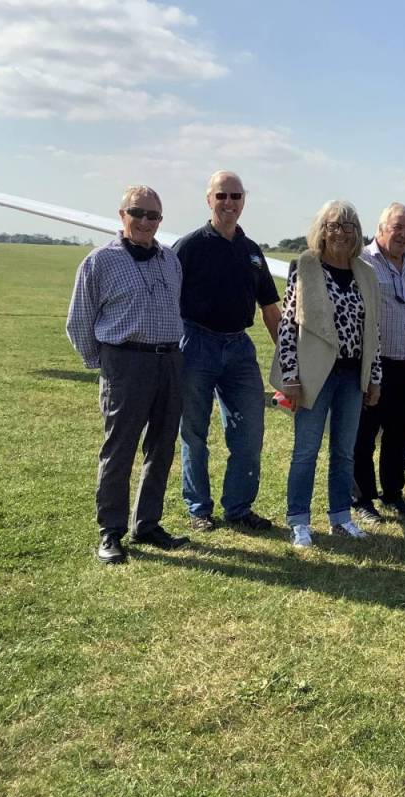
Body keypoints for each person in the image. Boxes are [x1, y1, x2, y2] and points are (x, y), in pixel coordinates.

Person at [66, 185, 189, 564]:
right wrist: (103, 364)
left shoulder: (171, 260)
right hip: (126, 362)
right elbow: (79, 321)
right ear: (122, 215)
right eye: (138, 213)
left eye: (153, 216)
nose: (145, 222)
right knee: (119, 449)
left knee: (162, 447)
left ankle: (148, 523)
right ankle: (111, 531)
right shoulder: (99, 262)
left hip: (169, 361)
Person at [174, 171, 282, 534]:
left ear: (243, 201)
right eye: (221, 195)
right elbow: (166, 300)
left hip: (239, 347)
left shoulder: (251, 251)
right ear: (209, 200)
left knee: (250, 432)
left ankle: (238, 508)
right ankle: (198, 508)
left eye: (236, 196)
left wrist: (288, 358)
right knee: (194, 432)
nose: (229, 202)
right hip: (196, 343)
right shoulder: (189, 246)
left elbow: (270, 308)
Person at [275, 200, 382, 548]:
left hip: (352, 376)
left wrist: (374, 378)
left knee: (344, 451)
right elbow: (289, 325)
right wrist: (290, 376)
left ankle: (340, 516)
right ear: (322, 229)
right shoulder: (305, 266)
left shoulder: (365, 273)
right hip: (314, 374)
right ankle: (299, 521)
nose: (340, 232)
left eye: (348, 226)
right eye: (334, 225)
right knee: (306, 450)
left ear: (357, 234)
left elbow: (372, 331)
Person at [352, 202, 405, 523]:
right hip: (371, 363)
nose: (404, 235)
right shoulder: (362, 262)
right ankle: (362, 499)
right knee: (364, 434)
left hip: (403, 363)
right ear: (381, 228)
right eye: (398, 227)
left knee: (401, 432)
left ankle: (393, 493)